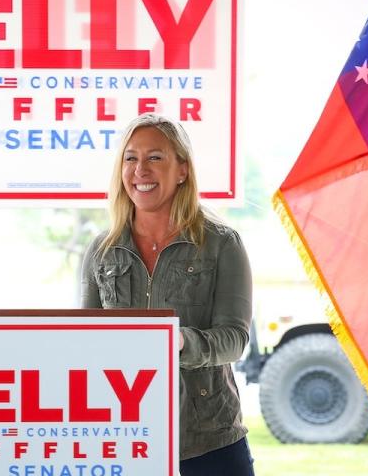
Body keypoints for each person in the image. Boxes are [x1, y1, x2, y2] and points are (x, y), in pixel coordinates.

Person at [80, 113, 254, 475]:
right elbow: (85, 340)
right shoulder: (100, 249)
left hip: (209, 440)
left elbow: (235, 339)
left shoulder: (221, 243)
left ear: (182, 170)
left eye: (155, 157)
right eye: (131, 158)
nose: (140, 169)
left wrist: (179, 342)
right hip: (124, 438)